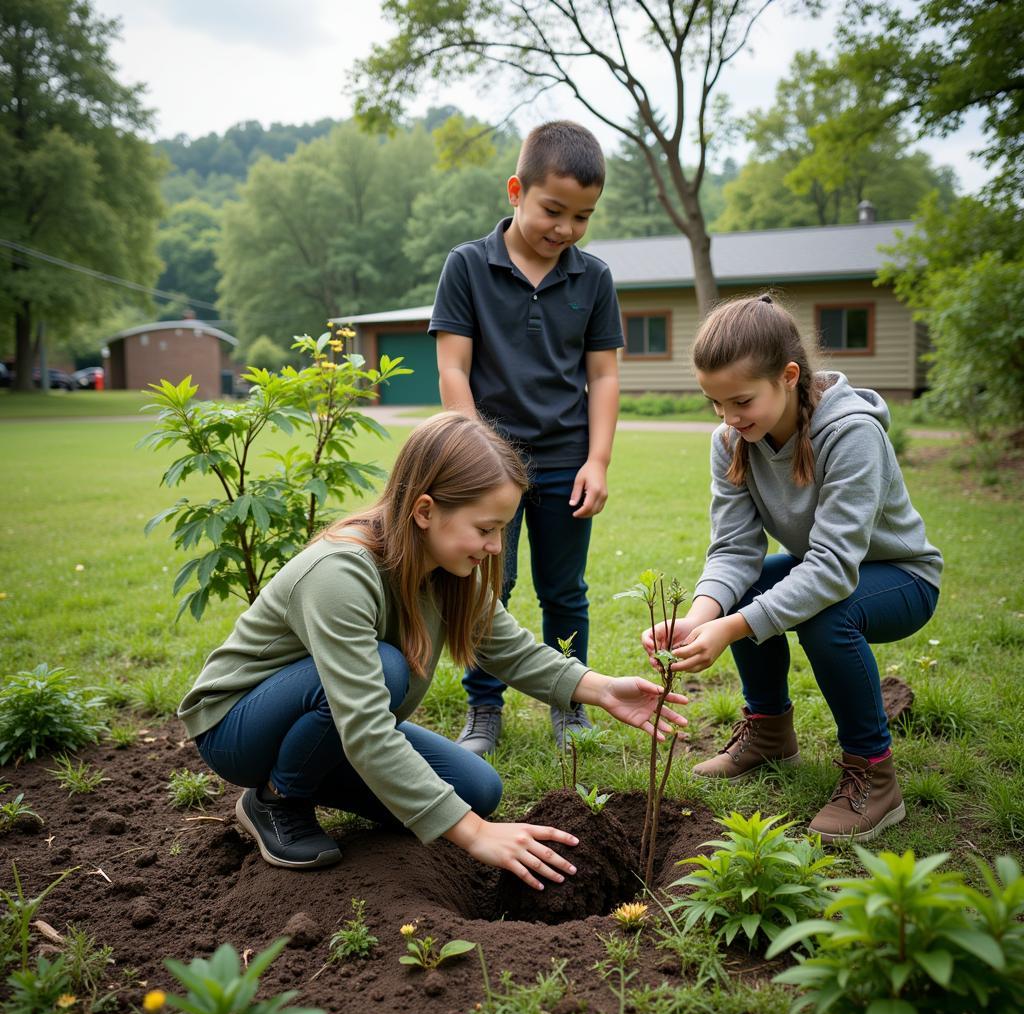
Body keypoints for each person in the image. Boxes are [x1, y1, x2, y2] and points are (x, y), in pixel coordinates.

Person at [179, 413, 686, 885]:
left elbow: (512, 651)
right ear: (425, 510)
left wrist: (601, 691)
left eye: (501, 530)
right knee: (388, 671)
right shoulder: (341, 573)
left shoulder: (448, 571)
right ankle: (276, 798)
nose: (494, 546)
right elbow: (365, 724)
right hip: (236, 727)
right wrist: (475, 836)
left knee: (476, 794)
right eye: (485, 529)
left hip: (334, 719)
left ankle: (306, 775)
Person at [643, 295, 942, 843]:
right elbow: (735, 549)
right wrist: (702, 616)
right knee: (747, 592)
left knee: (826, 617)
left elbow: (831, 569)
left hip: (902, 578)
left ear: (788, 376)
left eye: (741, 401)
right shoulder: (731, 440)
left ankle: (873, 775)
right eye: (715, 403)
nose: (729, 419)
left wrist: (733, 628)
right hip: (828, 572)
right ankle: (769, 734)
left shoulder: (852, 432)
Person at [431, 120, 624, 756]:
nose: (565, 228)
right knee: (488, 587)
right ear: (516, 190)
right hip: (491, 464)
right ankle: (484, 708)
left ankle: (569, 704)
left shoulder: (592, 279)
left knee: (564, 590)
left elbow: (602, 374)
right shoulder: (467, 266)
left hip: (567, 459)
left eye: (582, 216)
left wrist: (597, 461)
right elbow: (453, 367)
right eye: (553, 209)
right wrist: (475, 455)